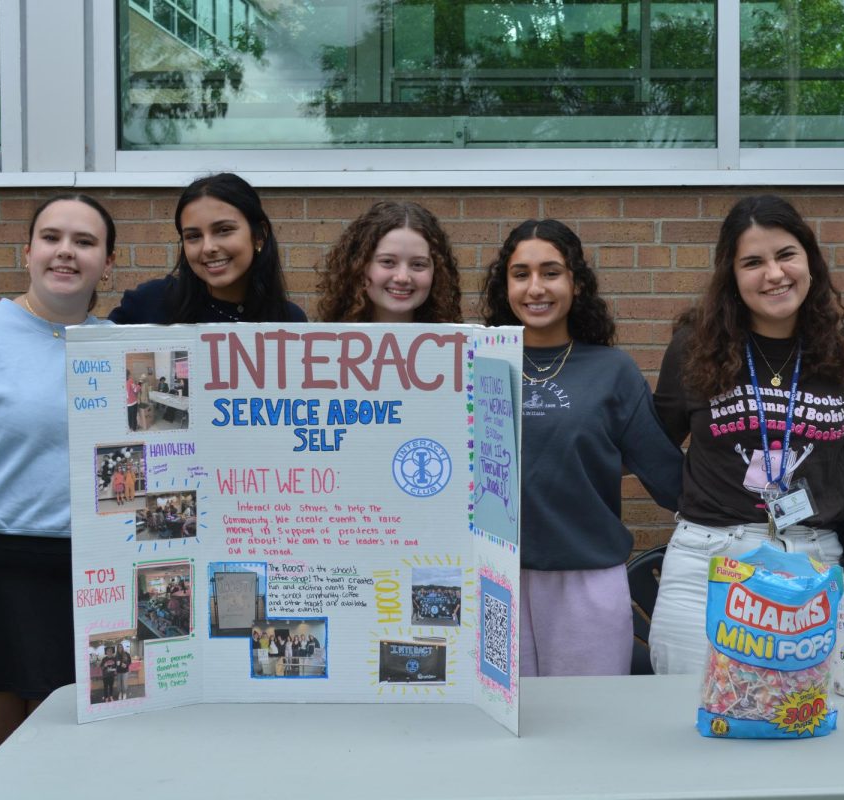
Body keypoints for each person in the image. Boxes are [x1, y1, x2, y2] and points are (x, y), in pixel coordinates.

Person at [0, 193, 115, 791]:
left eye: (85, 242)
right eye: (52, 237)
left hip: (87, 580)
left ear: (107, 264)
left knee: (79, 767)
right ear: (28, 251)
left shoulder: (121, 349)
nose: (66, 251)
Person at [647, 195, 844, 675]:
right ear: (731, 276)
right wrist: (693, 499)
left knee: (803, 715)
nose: (774, 274)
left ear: (809, 262)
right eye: (753, 262)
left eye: (786, 255)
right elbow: (657, 443)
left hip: (811, 559)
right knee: (685, 714)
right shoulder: (694, 348)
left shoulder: (842, 354)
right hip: (708, 561)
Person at [480, 219, 682, 677]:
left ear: (576, 282)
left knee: (588, 731)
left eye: (551, 272)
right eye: (521, 274)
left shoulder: (612, 371)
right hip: (491, 578)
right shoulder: (479, 361)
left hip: (587, 583)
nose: (536, 288)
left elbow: (672, 480)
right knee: (496, 735)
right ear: (504, 284)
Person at [109, 173, 307, 324]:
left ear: (259, 235)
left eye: (224, 230)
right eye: (193, 236)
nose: (208, 247)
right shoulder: (148, 304)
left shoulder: (290, 321)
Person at [315, 200, 462, 323]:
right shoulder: (325, 346)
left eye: (418, 264)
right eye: (388, 262)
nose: (402, 277)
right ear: (360, 266)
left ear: (436, 272)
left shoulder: (460, 349)